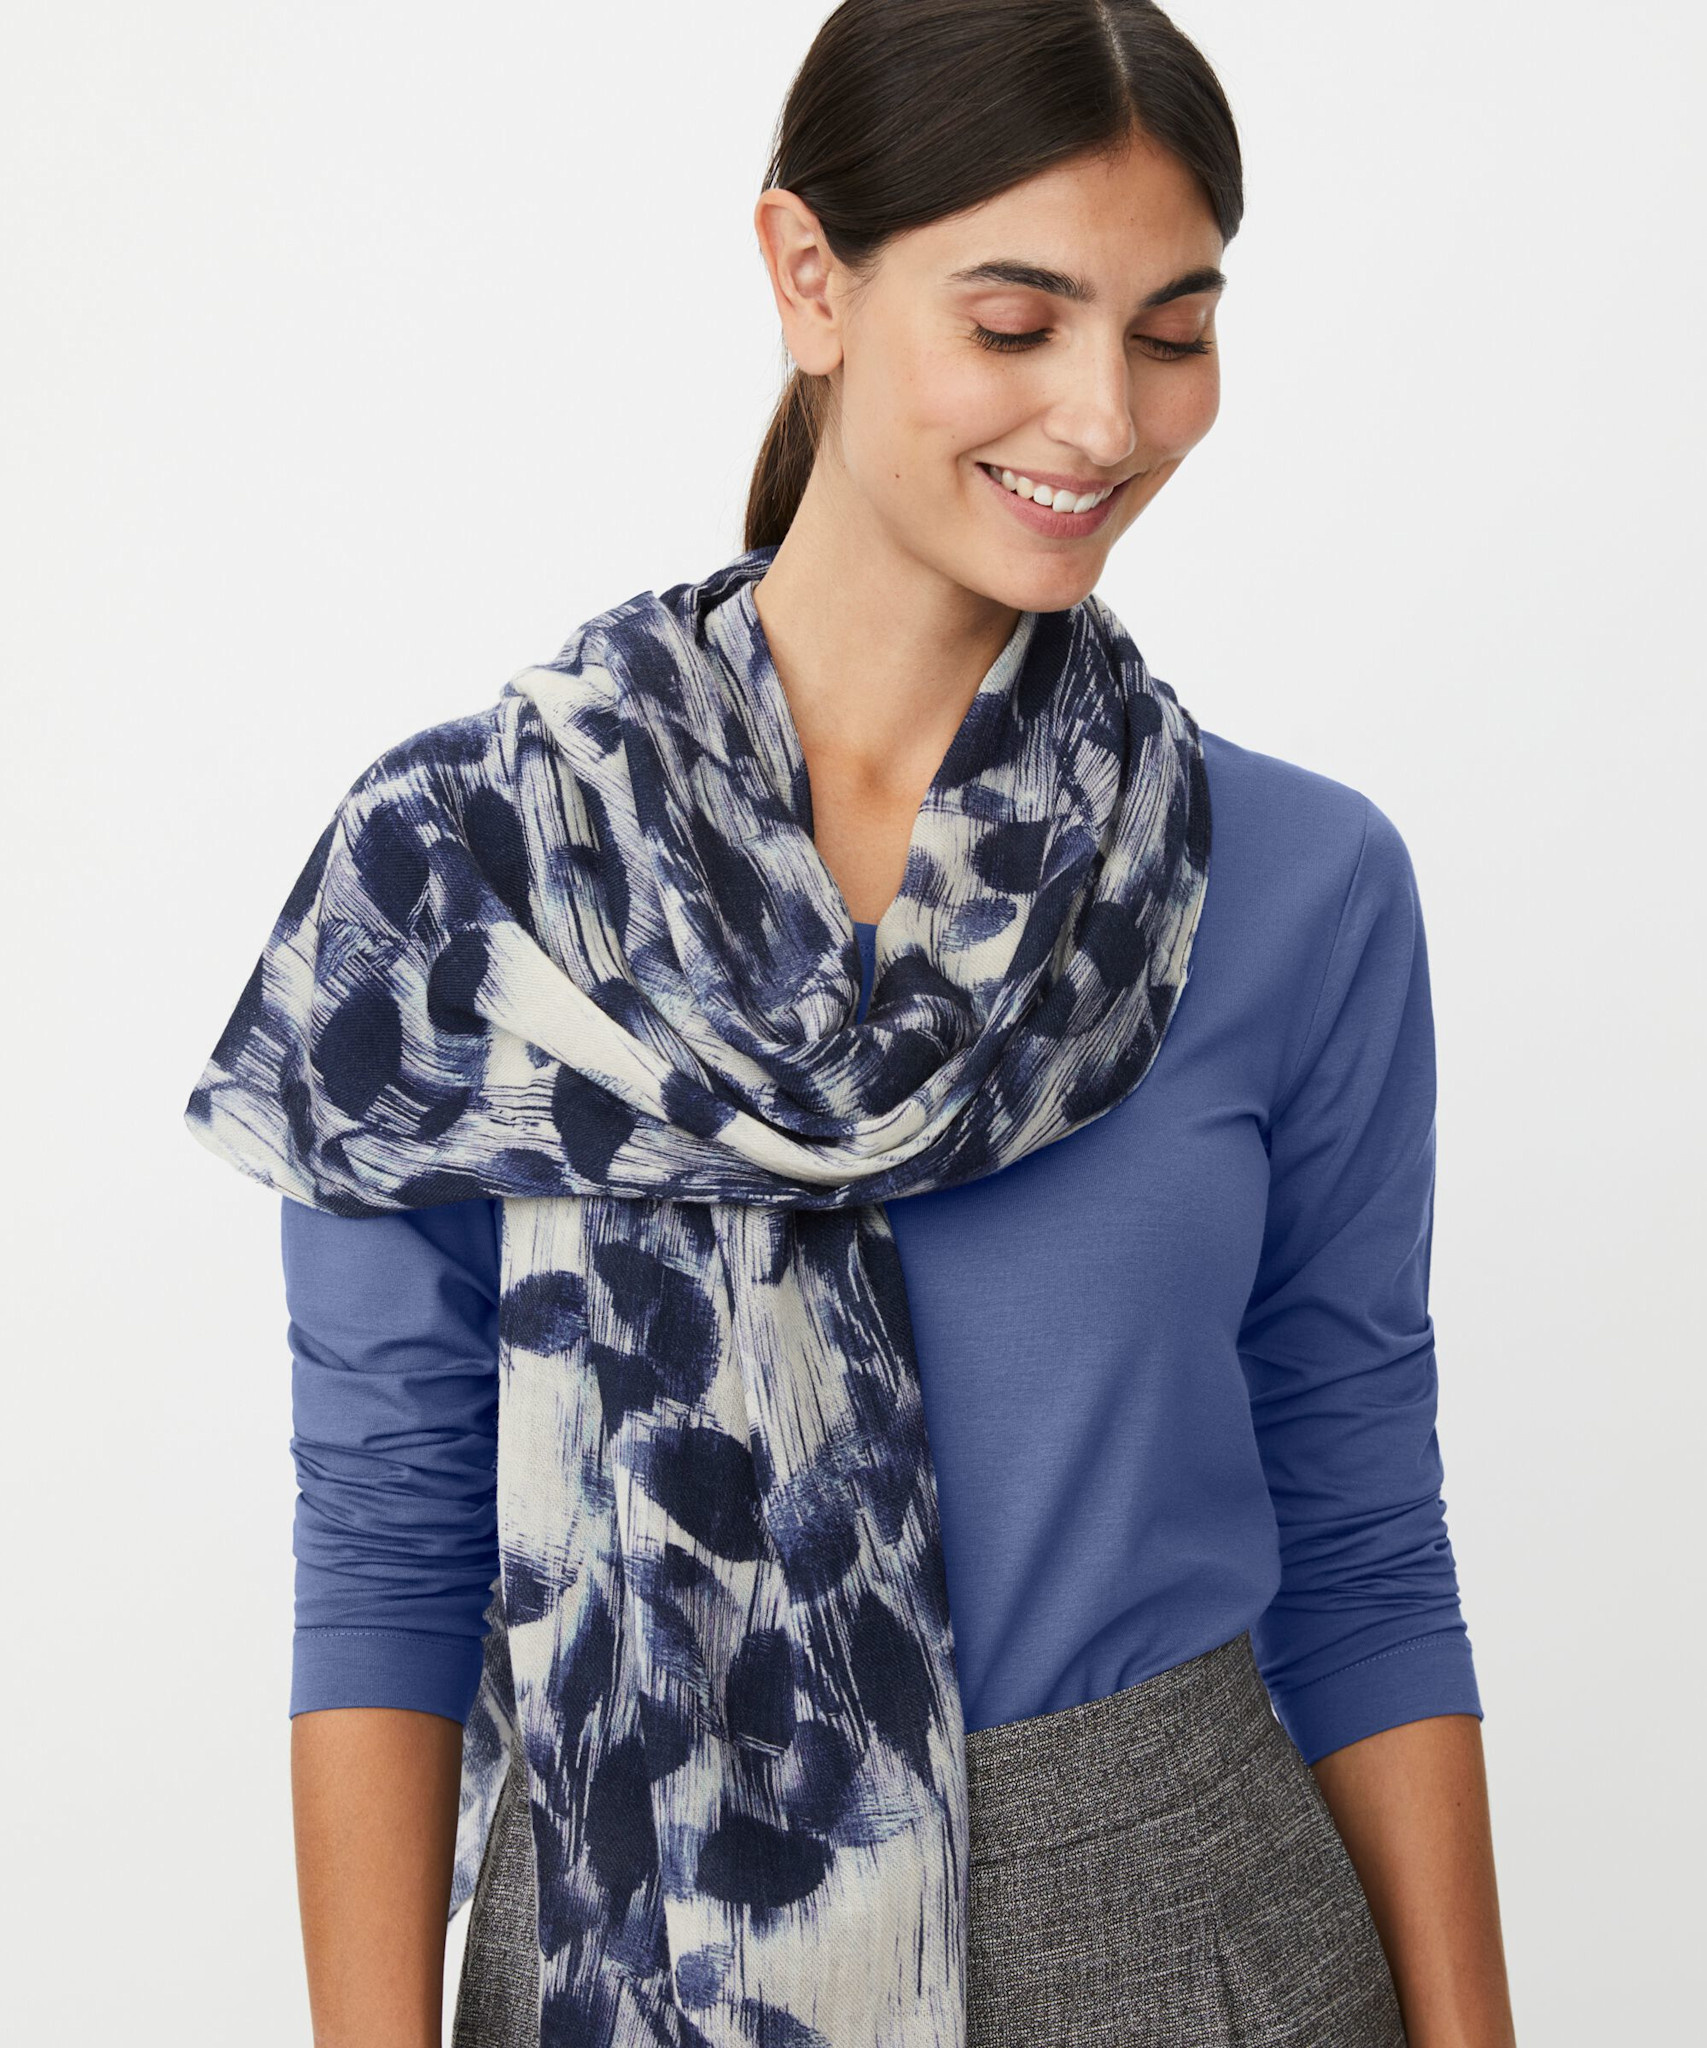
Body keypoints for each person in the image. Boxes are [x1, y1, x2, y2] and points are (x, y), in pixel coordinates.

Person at [193, 4, 1518, 2043]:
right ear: (807, 276)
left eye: (1172, 331)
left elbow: (1359, 1527)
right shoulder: (466, 880)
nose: (1105, 416)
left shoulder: (1292, 883)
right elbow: (387, 1543)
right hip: (632, 1947)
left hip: (1192, 1946)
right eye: (1016, 322)